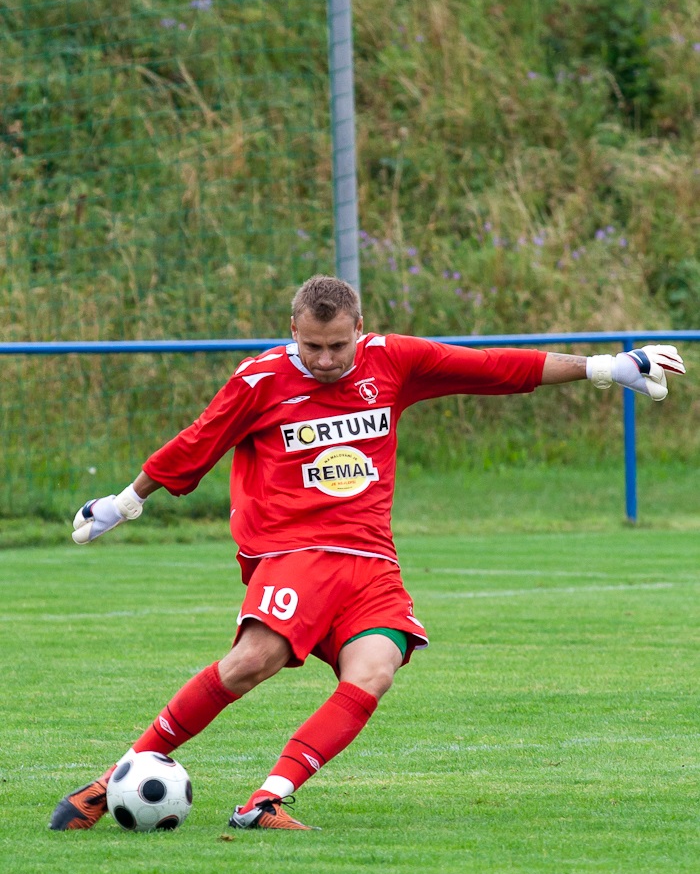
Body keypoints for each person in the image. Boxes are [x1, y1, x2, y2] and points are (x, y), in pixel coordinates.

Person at [49, 275, 685, 831]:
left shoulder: (392, 362)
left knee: (375, 669)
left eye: (337, 345)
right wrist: (123, 502)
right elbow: (197, 443)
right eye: (311, 345)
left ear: (361, 328)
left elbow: (492, 367)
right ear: (291, 330)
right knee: (252, 662)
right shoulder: (261, 379)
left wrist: (605, 367)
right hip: (297, 550)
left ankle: (266, 802)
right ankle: (113, 780)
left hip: (373, 562)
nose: (325, 359)